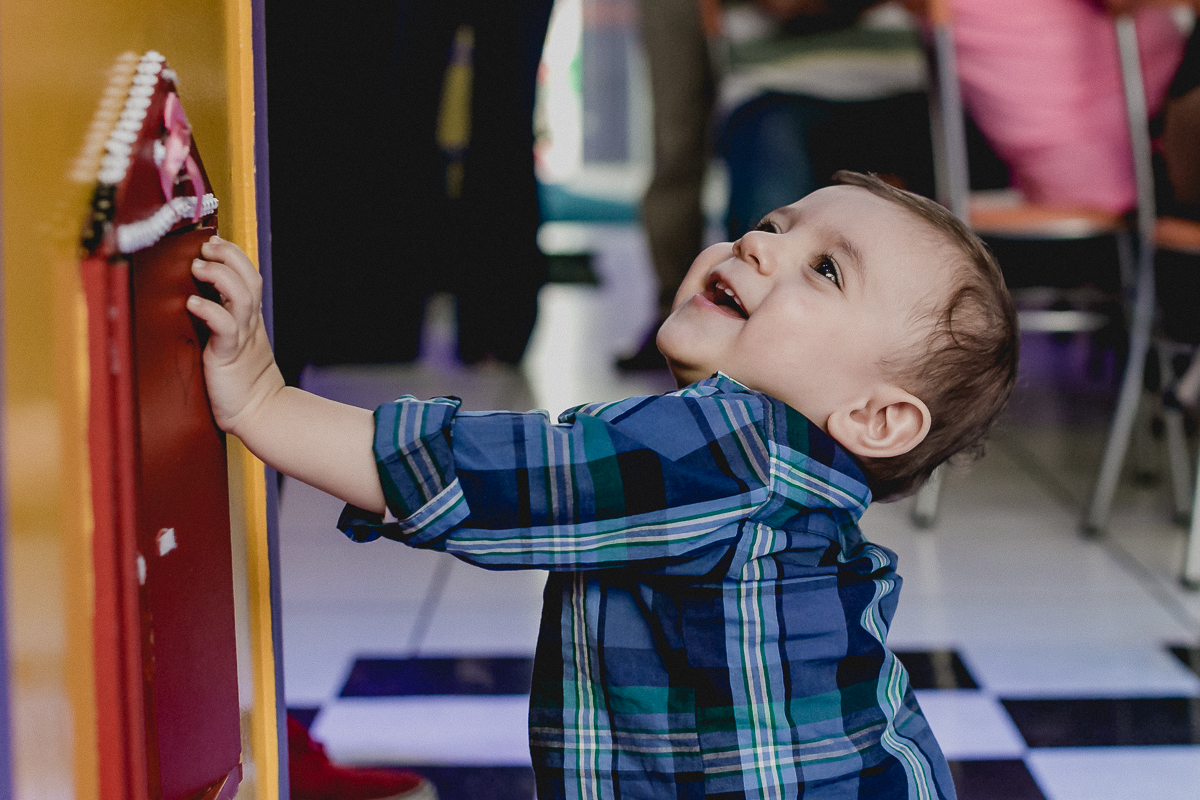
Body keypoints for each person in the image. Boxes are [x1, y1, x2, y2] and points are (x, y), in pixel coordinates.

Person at [187, 172, 1018, 798]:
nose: (758, 246)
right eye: (773, 224)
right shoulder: (774, 471)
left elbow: (483, 472)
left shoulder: (735, 446)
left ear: (876, 419)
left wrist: (264, 400)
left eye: (827, 270)